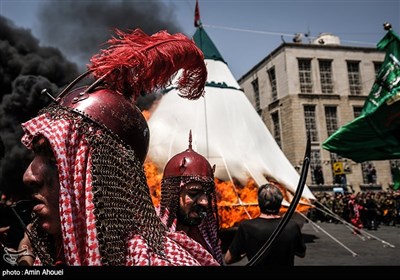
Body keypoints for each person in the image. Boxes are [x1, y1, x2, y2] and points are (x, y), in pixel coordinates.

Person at [2, 28, 220, 266]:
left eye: (55, 159)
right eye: (36, 155)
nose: (28, 176)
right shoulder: (45, 251)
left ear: (105, 179)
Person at [158, 131, 223, 265]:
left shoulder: (208, 237)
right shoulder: (152, 237)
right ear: (173, 194)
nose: (204, 202)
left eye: (208, 194)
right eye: (194, 193)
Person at [224, 183, 306, 266]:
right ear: (280, 203)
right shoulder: (292, 226)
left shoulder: (247, 227)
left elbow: (228, 259)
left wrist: (245, 252)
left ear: (259, 203)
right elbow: (301, 253)